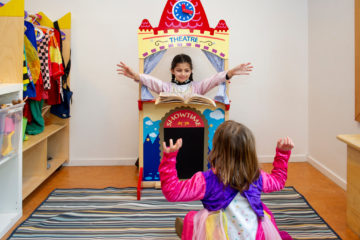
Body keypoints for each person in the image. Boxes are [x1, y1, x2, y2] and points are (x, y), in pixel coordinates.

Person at [159, 120, 294, 240]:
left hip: (219, 235)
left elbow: (173, 192)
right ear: (250, 153)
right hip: (254, 236)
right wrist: (282, 154)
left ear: (217, 150)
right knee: (262, 215)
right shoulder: (257, 177)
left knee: (196, 221)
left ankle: (189, 230)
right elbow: (279, 181)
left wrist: (169, 159)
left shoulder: (206, 180)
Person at [116, 54, 253, 96]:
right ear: (172, 71)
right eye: (179, 70)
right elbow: (150, 81)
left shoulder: (197, 87)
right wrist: (136, 75)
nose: (183, 74)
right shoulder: (166, 87)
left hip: (194, 125)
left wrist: (230, 73)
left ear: (191, 71)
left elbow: (214, 80)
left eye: (186, 71)